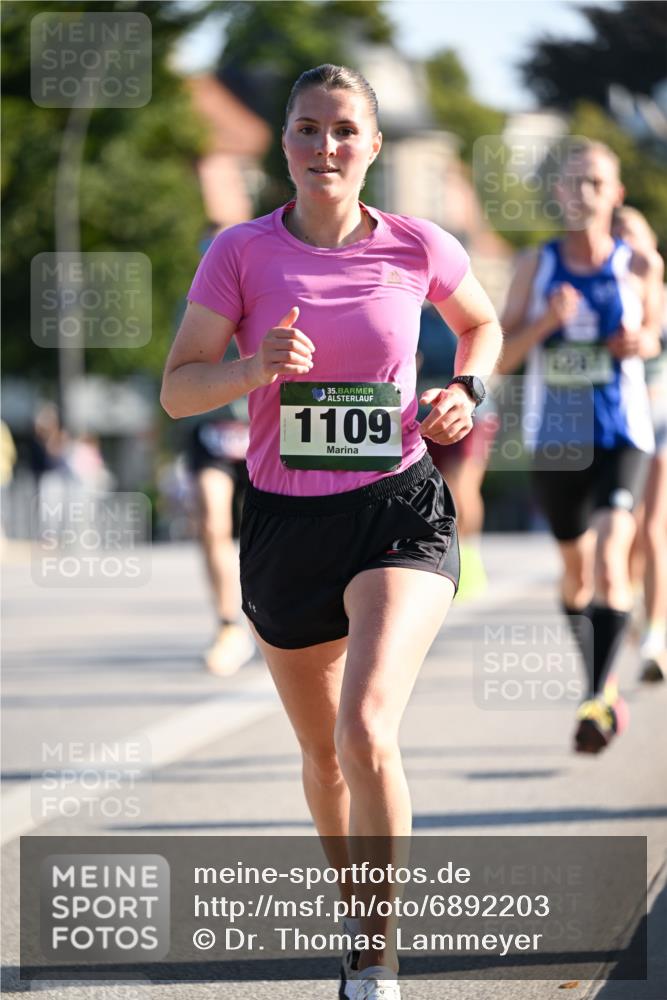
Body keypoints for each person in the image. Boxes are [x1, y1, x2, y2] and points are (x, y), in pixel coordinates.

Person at [161, 64, 502, 1000]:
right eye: (308, 129)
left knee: (366, 729)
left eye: (345, 130)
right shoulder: (239, 252)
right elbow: (178, 389)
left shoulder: (417, 244)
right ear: (285, 143)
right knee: (323, 757)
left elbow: (480, 326)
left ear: (373, 146)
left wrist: (464, 390)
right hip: (285, 524)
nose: (326, 146)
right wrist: (251, 369)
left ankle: (377, 955)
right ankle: (356, 916)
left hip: (397, 509)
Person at [500, 141, 663, 754]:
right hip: (557, 437)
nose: (585, 193)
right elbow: (501, 357)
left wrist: (640, 342)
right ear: (559, 193)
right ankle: (602, 680)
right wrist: (545, 323)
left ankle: (596, 697)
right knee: (575, 572)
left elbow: (654, 334)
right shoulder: (534, 266)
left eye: (596, 182)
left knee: (612, 558)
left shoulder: (641, 264)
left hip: (623, 431)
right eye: (574, 182)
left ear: (616, 193)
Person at [612, 206, 667, 681]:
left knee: (652, 527)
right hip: (620, 424)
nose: (626, 242)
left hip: (661, 419)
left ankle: (655, 636)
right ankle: (626, 601)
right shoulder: (606, 294)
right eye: (618, 235)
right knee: (623, 530)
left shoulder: (660, 295)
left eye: (632, 233)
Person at [417, 305, 499, 599]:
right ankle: (439, 557)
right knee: (436, 490)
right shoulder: (414, 313)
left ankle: (469, 558)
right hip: (427, 414)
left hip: (473, 414)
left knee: (461, 486)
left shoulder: (468, 311)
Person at [186, 397, 254, 676]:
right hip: (213, 425)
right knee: (212, 524)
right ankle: (228, 628)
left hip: (272, 419)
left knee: (289, 523)